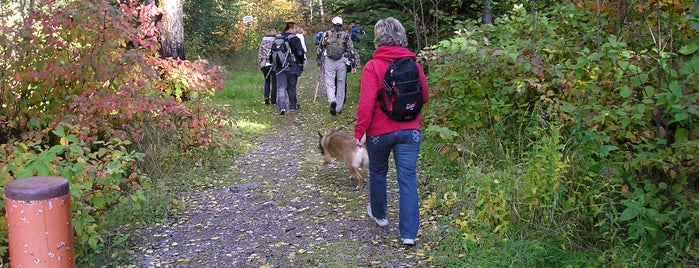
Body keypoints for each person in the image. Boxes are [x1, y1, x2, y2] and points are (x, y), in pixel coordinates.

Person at [353, 17, 429, 247]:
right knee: (407, 178)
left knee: (378, 171)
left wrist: (359, 133)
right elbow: (424, 95)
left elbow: (366, 104)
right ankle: (409, 234)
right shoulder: (413, 63)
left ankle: (380, 216)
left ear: (378, 38)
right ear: (401, 35)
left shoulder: (373, 66)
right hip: (410, 130)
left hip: (379, 133)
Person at [317, 16, 360, 116]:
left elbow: (320, 49)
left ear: (332, 24)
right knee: (341, 83)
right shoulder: (345, 35)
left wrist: (319, 63)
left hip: (329, 60)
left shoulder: (326, 34)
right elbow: (351, 50)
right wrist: (353, 65)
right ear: (341, 24)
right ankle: (338, 108)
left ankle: (332, 100)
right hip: (342, 61)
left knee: (330, 83)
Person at [273, 22, 306, 115]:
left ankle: (282, 107)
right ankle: (292, 106)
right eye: (295, 29)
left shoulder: (278, 38)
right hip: (292, 65)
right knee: (291, 86)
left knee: (281, 86)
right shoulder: (295, 39)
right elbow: (300, 52)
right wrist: (300, 63)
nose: (296, 31)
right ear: (291, 28)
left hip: (279, 66)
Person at [257, 28, 277, 105]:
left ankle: (266, 97)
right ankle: (273, 100)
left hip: (265, 64)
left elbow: (260, 54)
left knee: (267, 81)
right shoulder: (276, 41)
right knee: (274, 83)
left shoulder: (263, 41)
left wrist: (260, 64)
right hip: (273, 64)